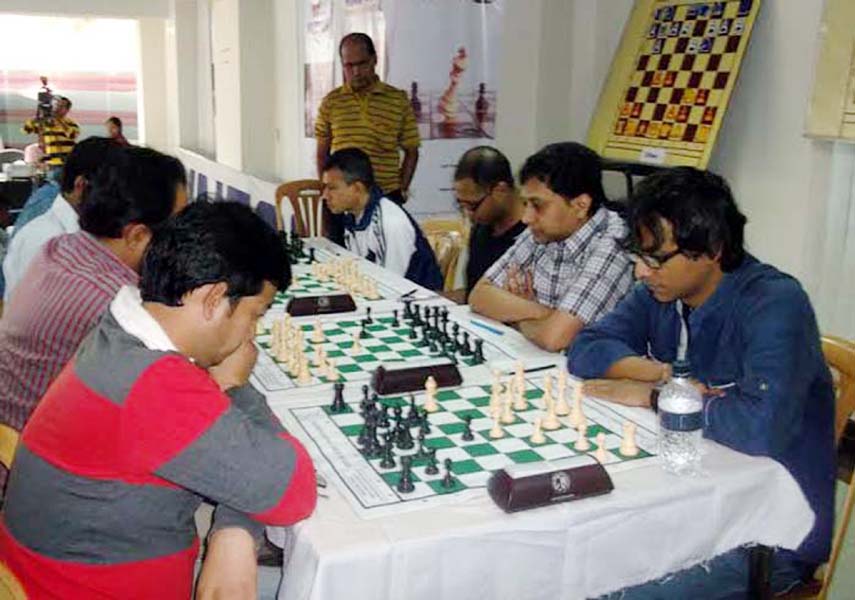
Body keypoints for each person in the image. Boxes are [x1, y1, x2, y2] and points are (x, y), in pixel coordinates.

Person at [0, 201, 317, 599]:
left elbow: (244, 471)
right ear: (214, 299)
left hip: (57, 572)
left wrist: (233, 530)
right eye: (255, 315)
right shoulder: (154, 386)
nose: (250, 335)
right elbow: (293, 489)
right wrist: (235, 386)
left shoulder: (118, 332)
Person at [567, 167, 835, 598]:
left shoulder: (776, 303)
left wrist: (655, 397)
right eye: (638, 256)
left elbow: (758, 428)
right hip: (690, 501)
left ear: (710, 248)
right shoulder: (661, 292)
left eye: (654, 258)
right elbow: (586, 348)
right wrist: (664, 375)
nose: (640, 272)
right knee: (560, 569)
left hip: (769, 531)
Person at [0, 146, 187, 492]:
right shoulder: (116, 304)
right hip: (40, 473)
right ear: (137, 235)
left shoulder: (62, 248)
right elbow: (179, 396)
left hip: (16, 435)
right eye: (176, 227)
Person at [469, 142, 633, 352]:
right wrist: (545, 314)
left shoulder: (614, 244)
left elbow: (554, 339)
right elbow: (480, 295)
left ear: (580, 205)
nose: (527, 217)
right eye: (526, 204)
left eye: (537, 205)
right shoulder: (542, 230)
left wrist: (514, 316)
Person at [316, 32, 420, 242]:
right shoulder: (332, 102)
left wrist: (401, 189)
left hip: (384, 198)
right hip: (342, 199)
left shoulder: (397, 100)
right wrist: (329, 189)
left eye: (362, 64)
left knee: (383, 266)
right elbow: (322, 154)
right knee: (339, 262)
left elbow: (411, 151)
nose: (355, 72)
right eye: (348, 66)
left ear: (374, 60)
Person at [3, 137, 117, 300]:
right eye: (114, 193)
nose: (121, 202)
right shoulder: (46, 240)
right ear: (81, 186)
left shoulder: (81, 230)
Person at [321, 147, 442, 290]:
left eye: (332, 188)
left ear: (357, 188)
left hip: (416, 301)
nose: (325, 195)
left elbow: (390, 285)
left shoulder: (390, 222)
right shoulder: (351, 215)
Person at [452, 146, 526, 302]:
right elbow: (472, 294)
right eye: (461, 205)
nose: (468, 214)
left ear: (500, 190)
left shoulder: (533, 234)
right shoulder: (482, 228)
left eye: (472, 206)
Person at [22, 95, 79, 181]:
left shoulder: (70, 123)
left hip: (67, 163)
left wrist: (58, 121)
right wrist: (37, 117)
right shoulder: (45, 123)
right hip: (51, 163)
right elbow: (25, 131)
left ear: (67, 110)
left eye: (61, 106)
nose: (57, 108)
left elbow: (72, 135)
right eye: (56, 105)